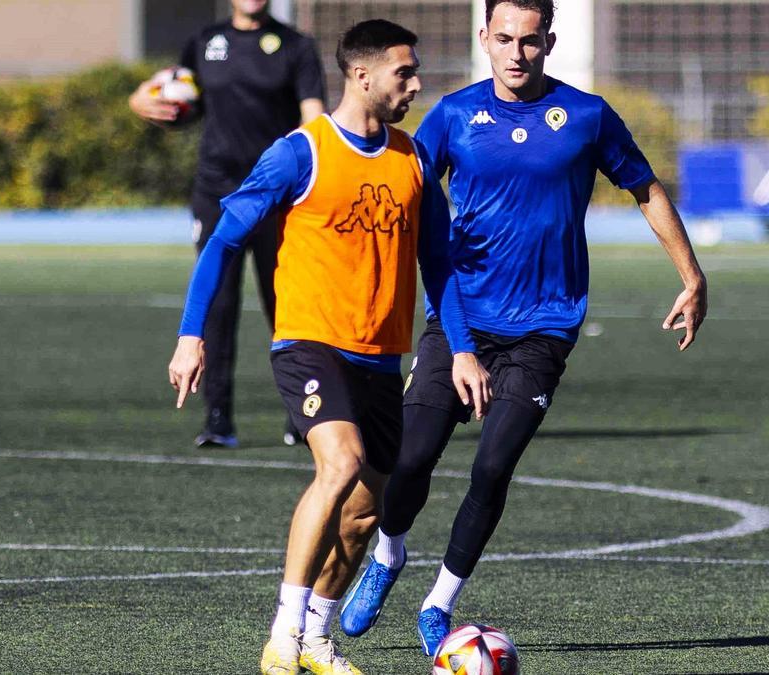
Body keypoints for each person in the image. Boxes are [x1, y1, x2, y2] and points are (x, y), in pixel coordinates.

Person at [338, 0, 709, 658]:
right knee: (412, 456)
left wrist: (691, 274)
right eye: (504, 38)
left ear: (550, 42)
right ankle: (390, 554)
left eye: (530, 41)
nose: (516, 53)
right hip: (460, 321)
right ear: (484, 38)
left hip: (545, 325)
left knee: (492, 466)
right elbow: (402, 193)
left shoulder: (588, 117)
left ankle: (439, 602)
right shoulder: (452, 116)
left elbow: (646, 189)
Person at [166, 19, 486, 675]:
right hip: (310, 343)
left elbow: (441, 263)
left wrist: (460, 348)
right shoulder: (299, 153)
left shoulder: (414, 160)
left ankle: (316, 636)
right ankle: (283, 634)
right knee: (338, 465)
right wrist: (191, 334)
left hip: (381, 358)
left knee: (366, 512)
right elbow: (224, 240)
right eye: (405, 72)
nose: (416, 84)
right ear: (362, 75)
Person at [131, 0, 326, 448]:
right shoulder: (204, 43)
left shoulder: (296, 46)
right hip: (217, 193)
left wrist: (313, 174)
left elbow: (313, 119)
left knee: (289, 307)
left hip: (279, 197)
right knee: (217, 308)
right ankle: (218, 420)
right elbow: (171, 91)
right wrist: (140, 100)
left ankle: (302, 414)